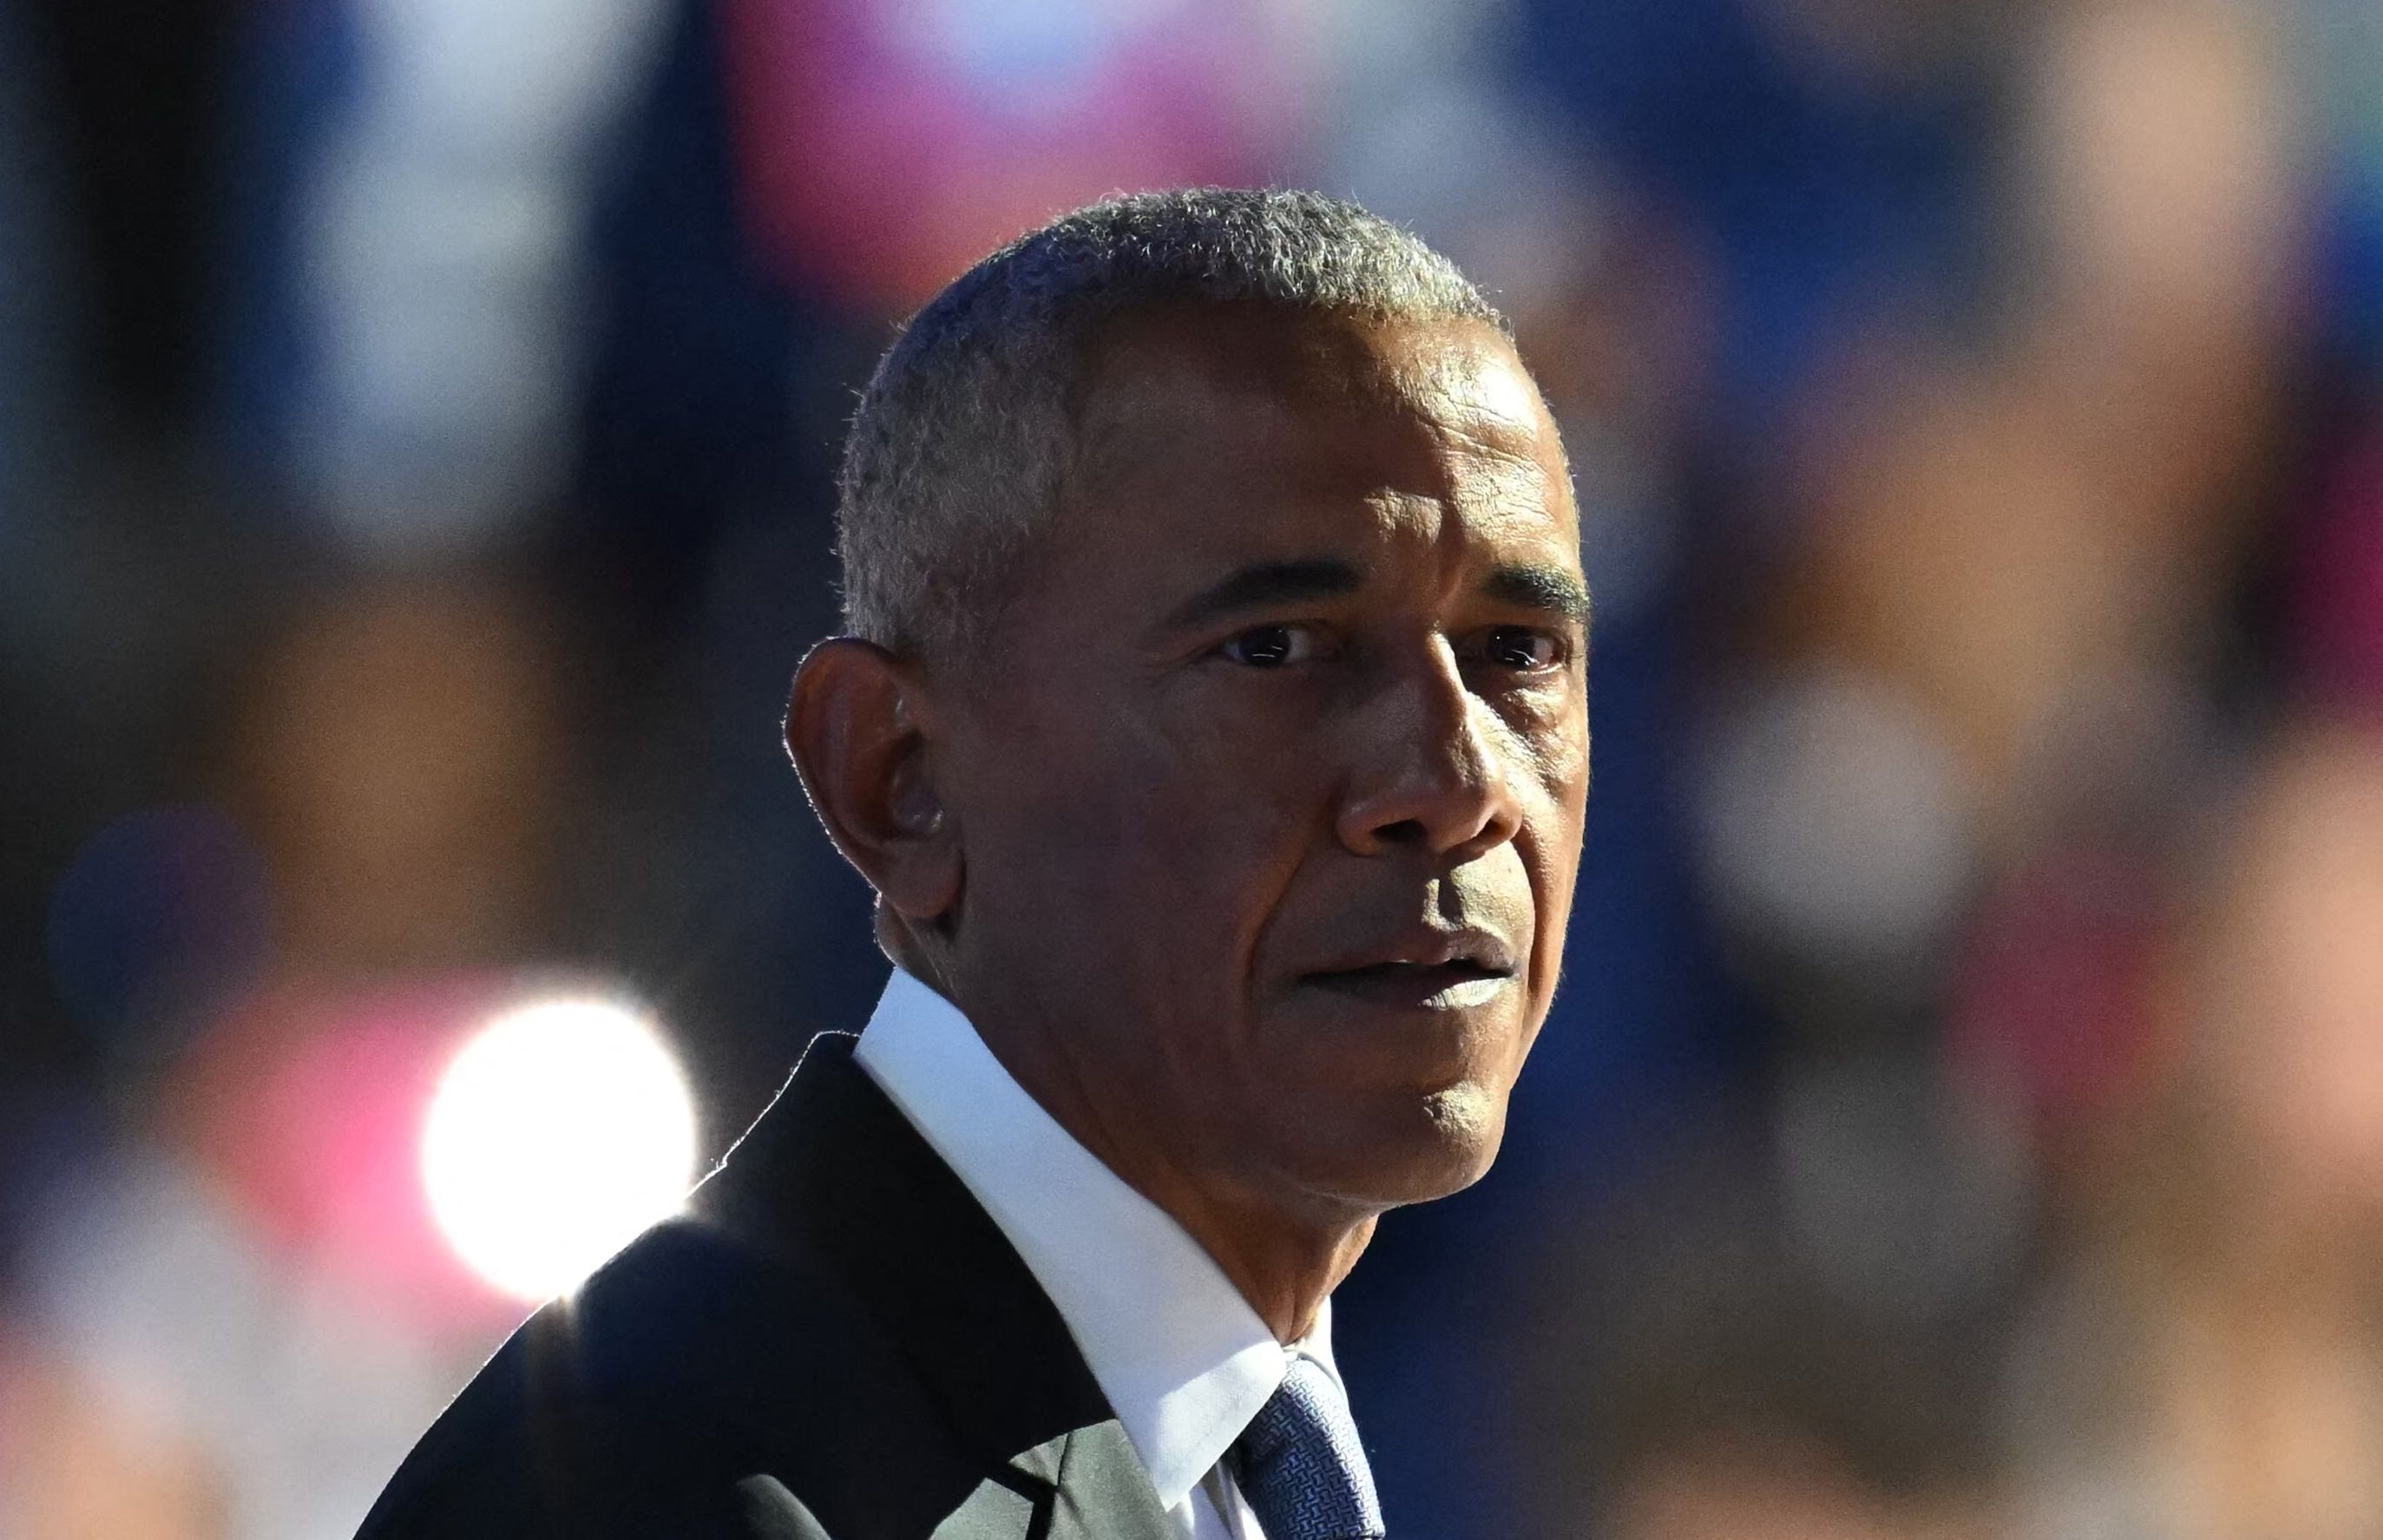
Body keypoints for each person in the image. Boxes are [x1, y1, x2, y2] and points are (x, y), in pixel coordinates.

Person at [352, 187, 1592, 1540]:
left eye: (1516, 654)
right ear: (898, 779)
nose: (1455, 785)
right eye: (1276, 649)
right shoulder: (648, 1493)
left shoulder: (1300, 1446)